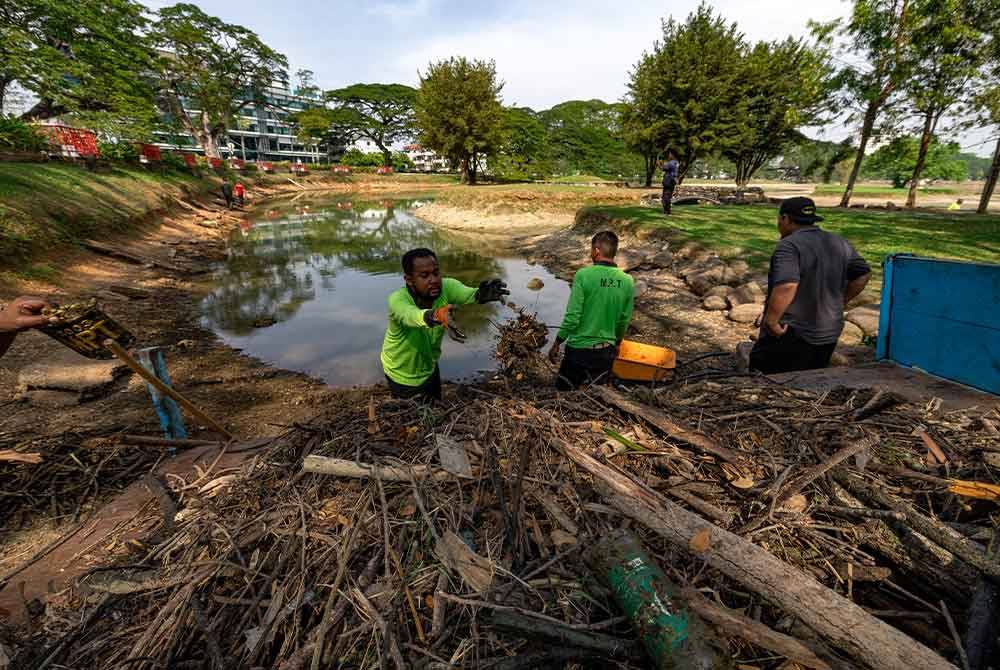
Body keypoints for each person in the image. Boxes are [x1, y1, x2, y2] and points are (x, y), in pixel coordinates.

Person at [749, 197, 871, 374]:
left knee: (765, 379)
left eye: (779, 219)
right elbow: (863, 274)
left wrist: (772, 321)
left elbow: (787, 285)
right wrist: (841, 301)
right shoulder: (838, 242)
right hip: (828, 331)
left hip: (792, 332)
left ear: (786, 219)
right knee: (809, 380)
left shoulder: (789, 246)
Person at [381, 248, 508, 401]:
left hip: (429, 366)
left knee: (436, 407)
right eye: (424, 275)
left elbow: (468, 294)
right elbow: (411, 316)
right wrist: (438, 315)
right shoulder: (398, 300)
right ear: (409, 279)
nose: (433, 280)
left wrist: (482, 294)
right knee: (414, 417)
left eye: (436, 273)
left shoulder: (446, 288)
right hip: (401, 373)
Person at [547, 231, 634, 389]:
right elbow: (624, 319)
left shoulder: (583, 275)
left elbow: (573, 316)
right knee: (596, 394)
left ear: (597, 251)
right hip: (605, 351)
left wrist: (557, 342)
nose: (591, 253)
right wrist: (617, 343)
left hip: (578, 352)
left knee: (563, 392)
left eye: (591, 249)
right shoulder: (627, 281)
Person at [661, 148, 679, 215]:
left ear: (672, 155)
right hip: (672, 181)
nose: (668, 155)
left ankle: (667, 212)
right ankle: (667, 211)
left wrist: (659, 164)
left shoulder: (671, 163)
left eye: (669, 154)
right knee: (667, 196)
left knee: (666, 197)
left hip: (669, 181)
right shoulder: (676, 162)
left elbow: (663, 168)